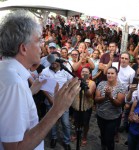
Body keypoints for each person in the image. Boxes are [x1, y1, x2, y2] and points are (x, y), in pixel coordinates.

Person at [0, 10, 81, 150]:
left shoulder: (6, 70)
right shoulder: (15, 84)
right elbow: (14, 148)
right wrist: (57, 110)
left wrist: (29, 92)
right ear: (23, 48)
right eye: (38, 41)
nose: (41, 46)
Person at [40, 52, 73, 150]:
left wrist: (67, 97)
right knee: (52, 122)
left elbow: (71, 83)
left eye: (55, 60)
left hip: (63, 103)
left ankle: (66, 141)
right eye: (51, 60)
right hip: (50, 102)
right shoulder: (45, 71)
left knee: (65, 123)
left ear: (60, 60)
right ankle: (54, 138)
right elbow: (42, 86)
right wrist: (50, 98)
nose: (53, 62)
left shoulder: (66, 71)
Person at [95, 67, 125, 150]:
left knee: (109, 138)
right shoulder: (101, 84)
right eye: (108, 73)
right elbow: (96, 99)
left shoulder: (121, 86)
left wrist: (110, 97)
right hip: (101, 115)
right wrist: (105, 97)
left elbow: (119, 104)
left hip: (113, 118)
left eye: (112, 73)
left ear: (116, 75)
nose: (110, 75)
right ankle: (103, 146)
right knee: (103, 135)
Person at [71, 67, 96, 146]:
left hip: (86, 106)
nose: (84, 73)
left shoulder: (92, 83)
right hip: (76, 105)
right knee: (76, 121)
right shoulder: (76, 81)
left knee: (85, 123)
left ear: (90, 74)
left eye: (86, 72)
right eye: (82, 71)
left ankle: (84, 136)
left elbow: (89, 94)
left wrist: (85, 84)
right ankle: (76, 134)